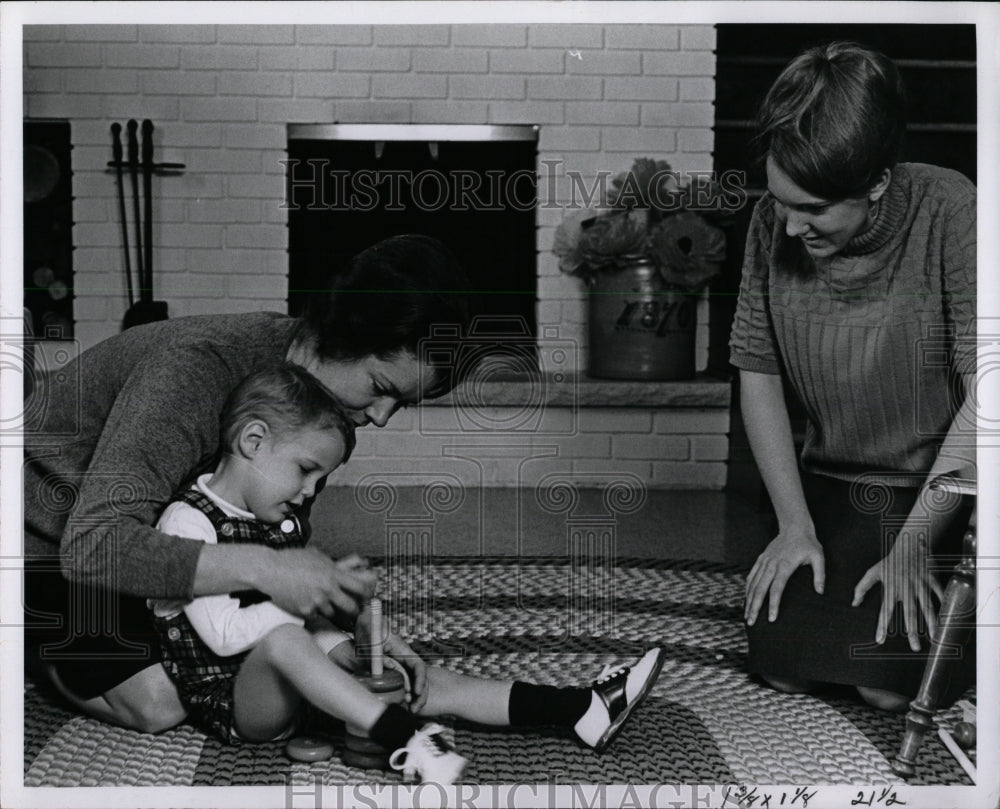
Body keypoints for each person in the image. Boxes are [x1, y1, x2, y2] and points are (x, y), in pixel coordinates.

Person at [23, 234, 477, 733]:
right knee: (162, 702)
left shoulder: (318, 407)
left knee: (279, 657)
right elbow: (92, 547)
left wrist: (349, 619)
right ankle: (28, 648)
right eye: (381, 388)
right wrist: (265, 570)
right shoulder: (196, 369)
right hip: (46, 547)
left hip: (149, 542)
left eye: (402, 403)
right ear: (338, 335)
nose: (382, 417)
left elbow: (265, 531)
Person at [150, 363, 667, 784]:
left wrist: (348, 645)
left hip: (302, 680)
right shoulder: (188, 521)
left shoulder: (274, 519)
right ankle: (406, 740)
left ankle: (578, 707)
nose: (309, 492)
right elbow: (222, 637)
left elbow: (311, 628)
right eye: (305, 469)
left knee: (411, 680)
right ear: (253, 441)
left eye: (319, 478)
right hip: (237, 700)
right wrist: (301, 598)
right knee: (285, 640)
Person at [728, 42, 977, 711]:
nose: (788, 224)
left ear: (876, 183)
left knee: (883, 686)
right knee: (784, 669)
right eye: (780, 199)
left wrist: (917, 542)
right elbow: (757, 371)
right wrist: (793, 525)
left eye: (811, 209)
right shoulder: (769, 225)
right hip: (832, 485)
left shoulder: (953, 210)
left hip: (939, 491)